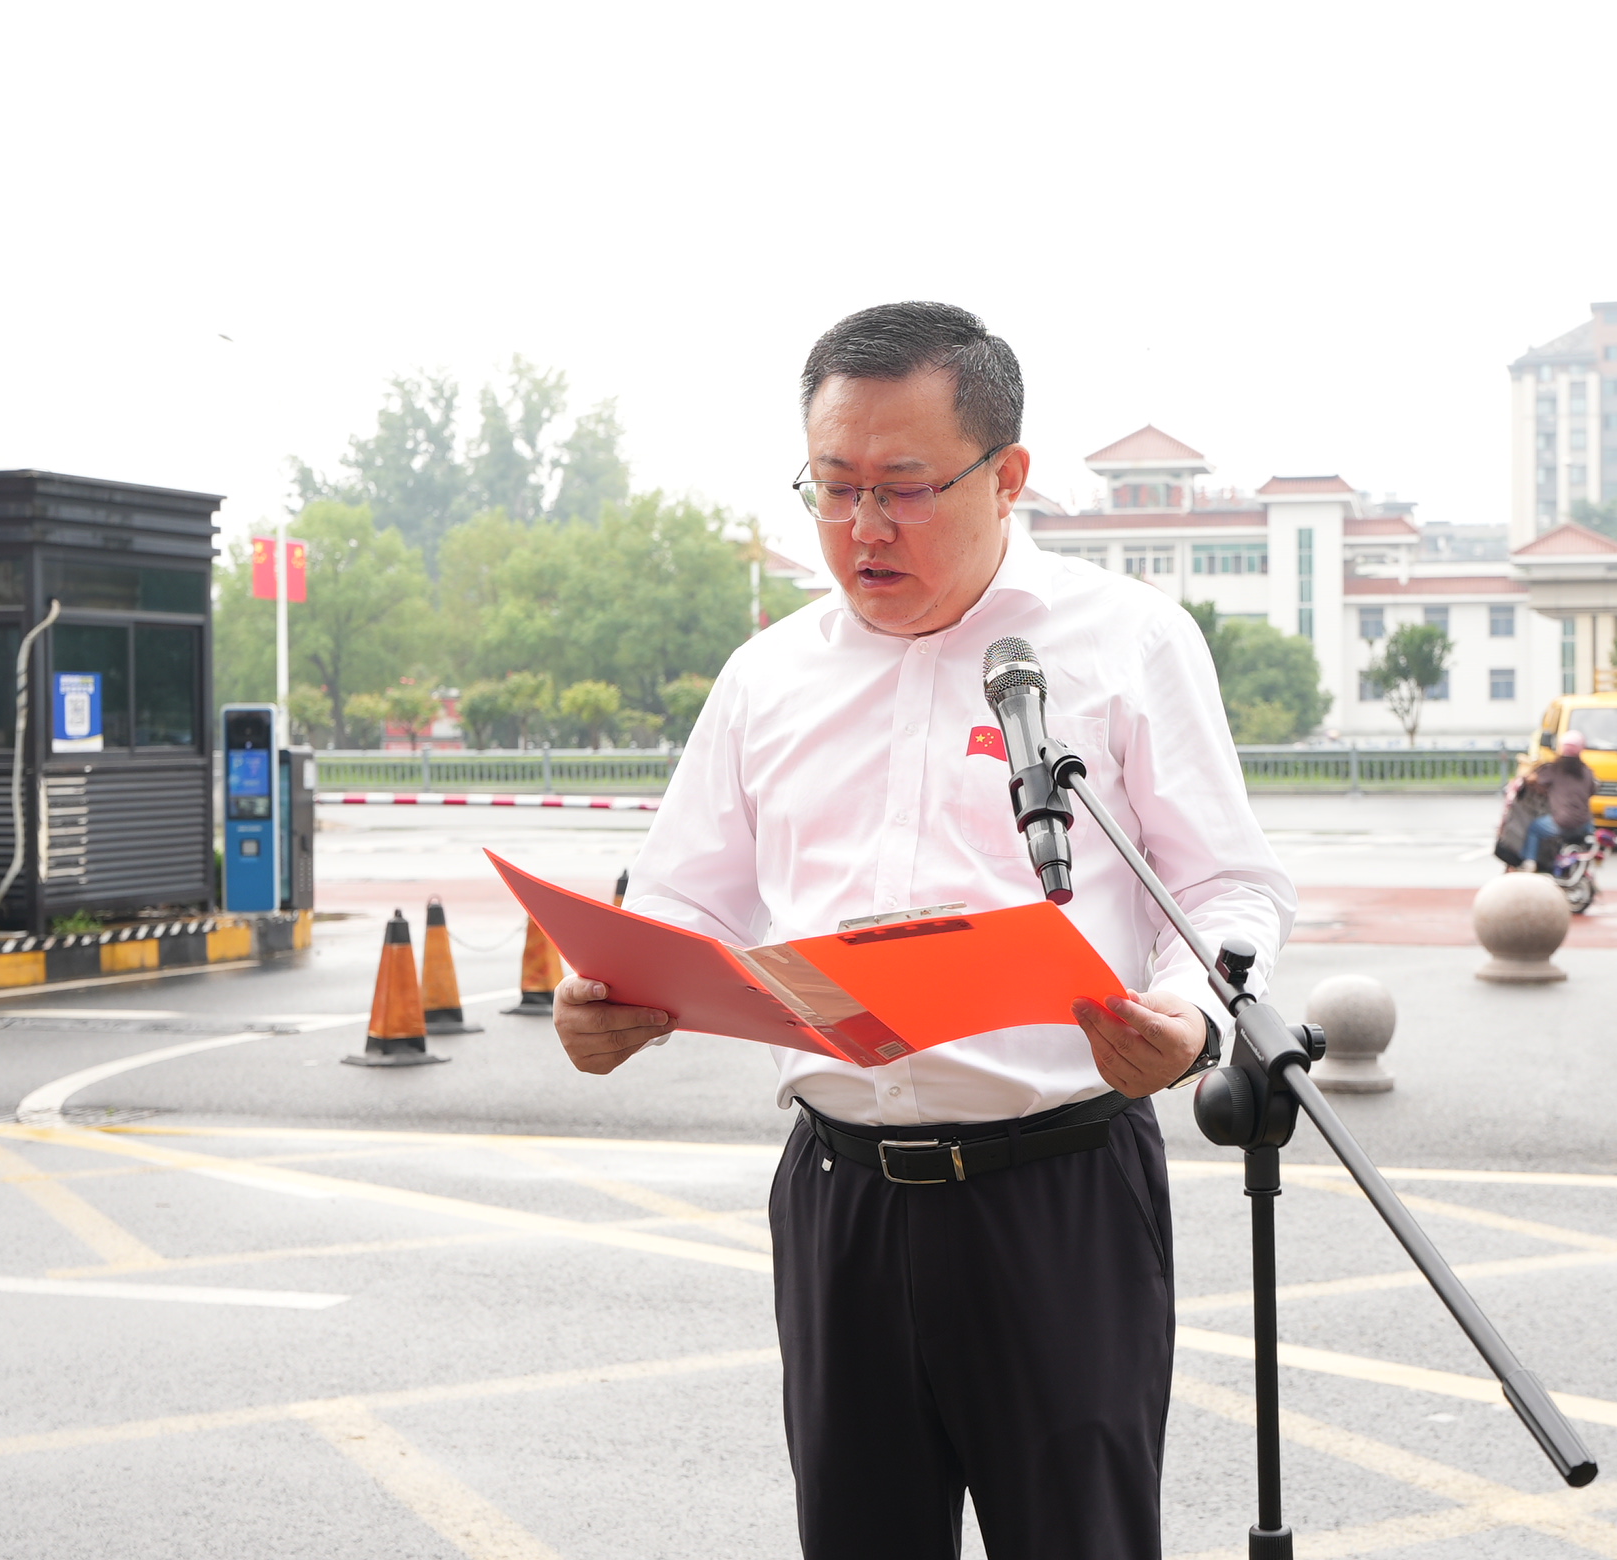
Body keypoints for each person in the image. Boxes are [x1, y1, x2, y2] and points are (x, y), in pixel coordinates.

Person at [552, 301, 1292, 1560]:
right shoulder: (767, 675)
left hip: (1056, 1194)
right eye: (831, 487)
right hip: (838, 1196)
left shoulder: (1123, 643)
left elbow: (1222, 887)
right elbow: (683, 901)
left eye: (901, 488)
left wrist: (1187, 1015)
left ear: (1006, 477)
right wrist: (613, 996)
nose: (862, 528)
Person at [1521, 729, 1598, 872]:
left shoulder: (1554, 769)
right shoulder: (1586, 771)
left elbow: (1532, 779)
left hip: (1562, 824)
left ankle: (1530, 862)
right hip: (1584, 825)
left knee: (1534, 828)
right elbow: (1592, 790)